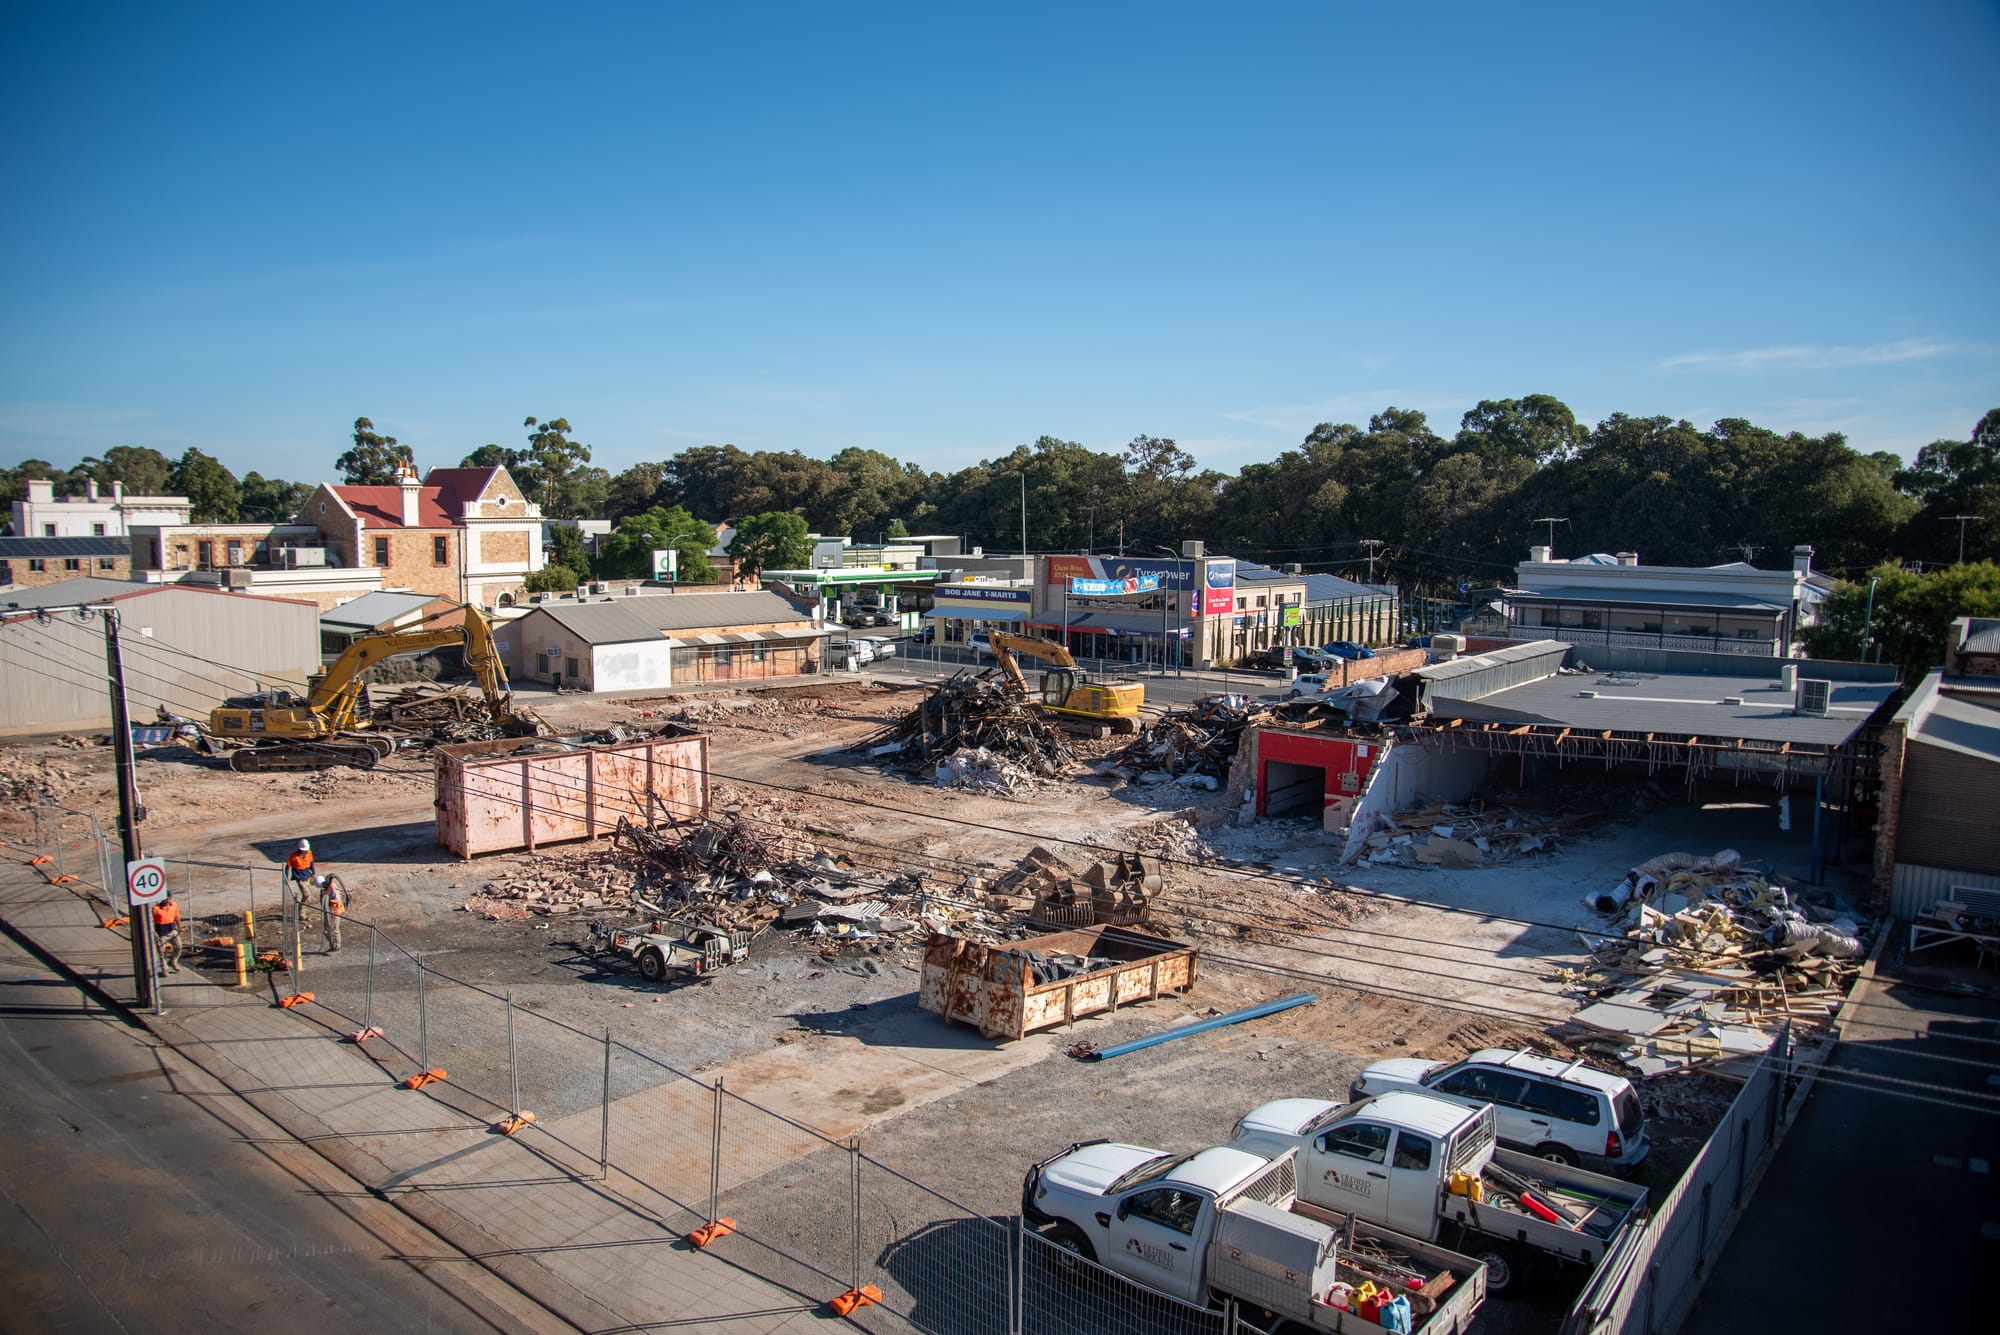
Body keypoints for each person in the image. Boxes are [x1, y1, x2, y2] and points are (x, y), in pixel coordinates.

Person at [316, 873, 347, 952]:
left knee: (334, 929)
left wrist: (329, 902)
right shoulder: (329, 887)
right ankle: (332, 944)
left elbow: (336, 899)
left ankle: (336, 945)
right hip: (330, 911)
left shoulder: (332, 888)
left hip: (334, 912)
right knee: (327, 929)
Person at [152, 894, 182, 973]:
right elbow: (152, 922)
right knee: (162, 951)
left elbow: (176, 917)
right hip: (161, 932)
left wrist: (179, 927)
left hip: (172, 930)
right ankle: (164, 967)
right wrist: (155, 933)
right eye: (165, 898)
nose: (167, 900)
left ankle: (173, 961)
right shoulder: (156, 908)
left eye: (169, 898)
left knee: (178, 946)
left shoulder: (174, 905)